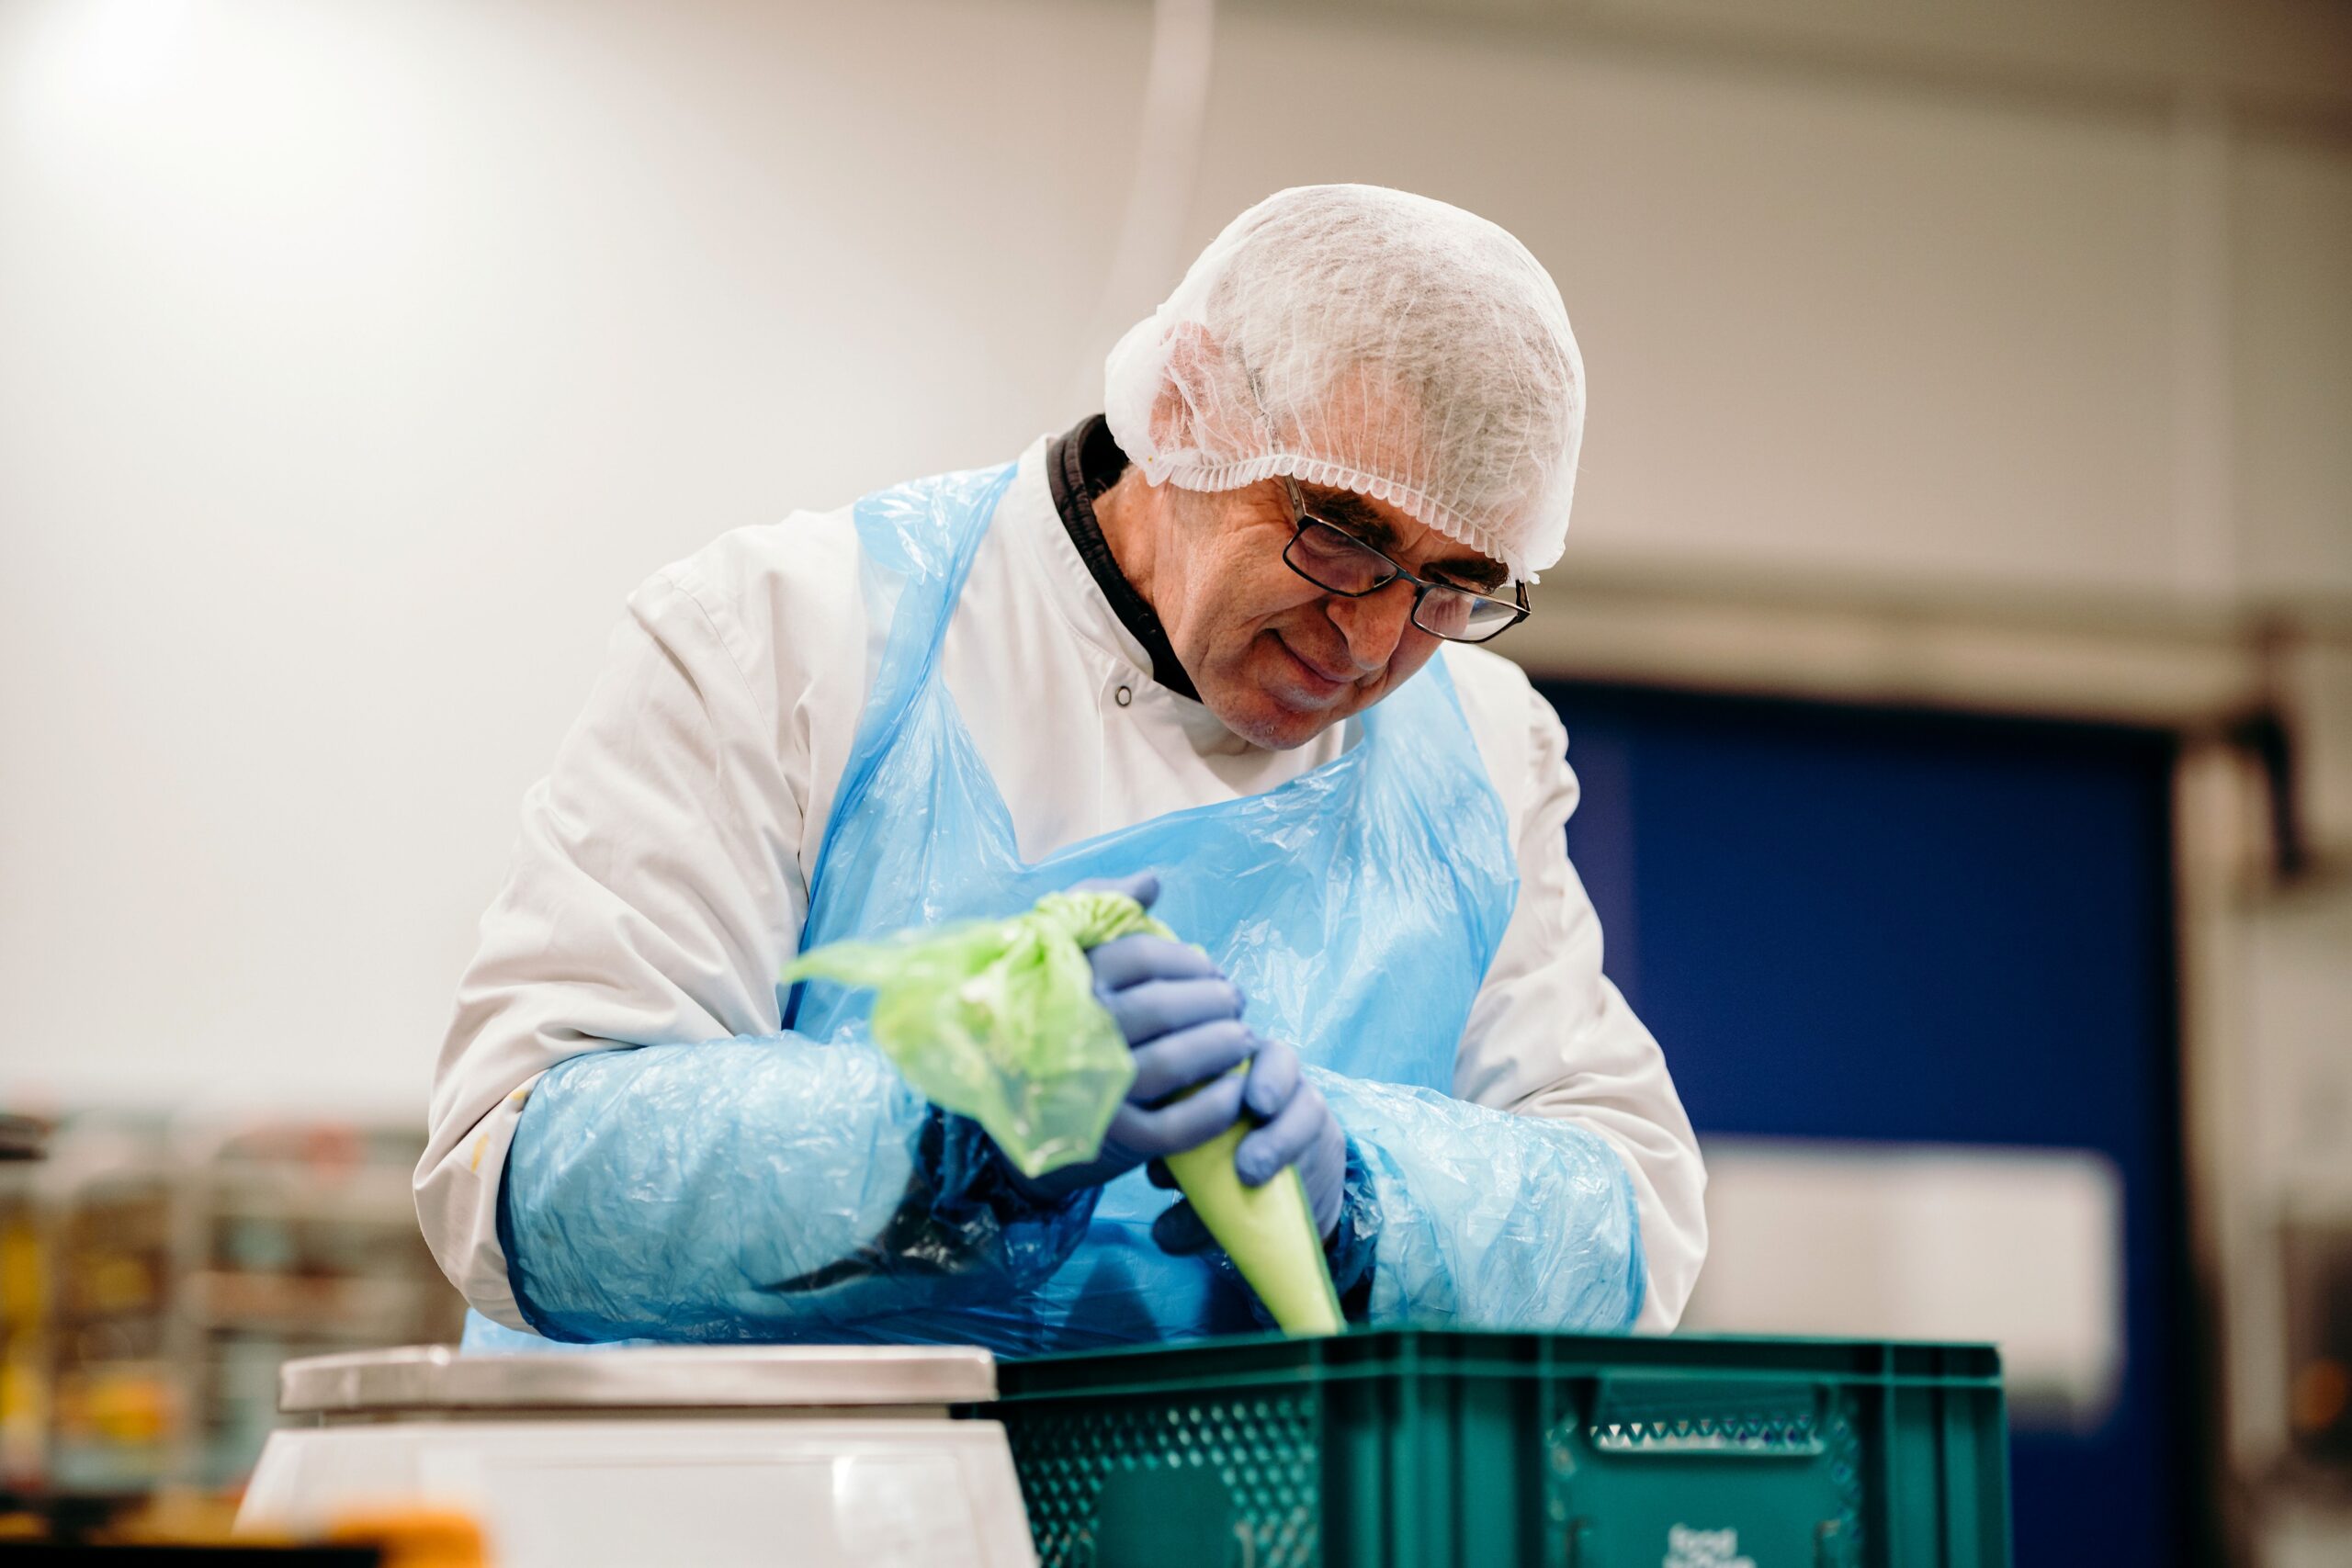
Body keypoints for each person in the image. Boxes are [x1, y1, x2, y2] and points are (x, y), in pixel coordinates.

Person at [417, 185, 1705, 1351]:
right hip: (780, 1502)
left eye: (1452, 587)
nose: (1371, 639)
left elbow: (1632, 1221)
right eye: (1338, 534)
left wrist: (1372, 1196)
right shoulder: (793, 631)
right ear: (1187, 416)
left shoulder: (1479, 750)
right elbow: (516, 1170)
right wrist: (943, 1138)